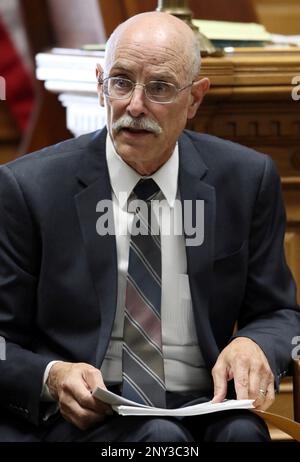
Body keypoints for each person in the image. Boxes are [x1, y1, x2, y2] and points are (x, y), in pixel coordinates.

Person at [0, 11, 299, 443]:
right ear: (101, 83)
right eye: (121, 82)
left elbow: (278, 312)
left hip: (205, 406)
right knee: (160, 440)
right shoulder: (28, 189)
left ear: (195, 98)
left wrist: (256, 344)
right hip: (83, 419)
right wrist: (51, 376)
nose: (135, 105)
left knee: (242, 437)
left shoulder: (246, 180)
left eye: (158, 87)